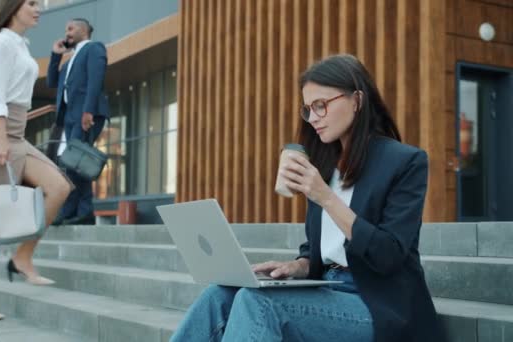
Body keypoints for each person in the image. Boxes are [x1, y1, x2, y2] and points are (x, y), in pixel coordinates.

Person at [170, 54, 445, 342]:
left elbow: (388, 255)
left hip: (378, 304)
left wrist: (325, 197)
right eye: (308, 109)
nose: (313, 117)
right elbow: (318, 248)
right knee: (220, 294)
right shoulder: (323, 165)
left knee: (261, 304)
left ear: (357, 101)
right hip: (326, 287)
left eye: (321, 105)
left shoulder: (405, 162)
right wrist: (298, 266)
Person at [0, 0, 73, 322]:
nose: (39, 8)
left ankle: (22, 257)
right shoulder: (3, 43)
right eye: (32, 3)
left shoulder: (20, 43)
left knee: (59, 187)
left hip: (15, 133)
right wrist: (2, 139)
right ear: (13, 7)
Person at [47, 18, 109, 225]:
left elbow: (95, 80)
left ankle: (75, 210)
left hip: (85, 114)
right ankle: (80, 211)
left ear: (83, 30)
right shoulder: (70, 60)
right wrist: (56, 55)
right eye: (66, 30)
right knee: (74, 163)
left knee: (74, 162)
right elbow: (51, 82)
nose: (67, 33)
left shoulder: (93, 48)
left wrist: (88, 111)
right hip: (70, 117)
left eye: (71, 29)